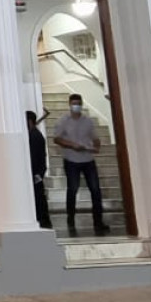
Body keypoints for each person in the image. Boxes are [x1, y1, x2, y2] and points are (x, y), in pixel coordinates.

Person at [50, 95, 109, 235]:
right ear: (69, 105)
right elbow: (57, 139)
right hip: (71, 160)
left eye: (78, 104)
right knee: (73, 189)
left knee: (95, 190)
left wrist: (96, 146)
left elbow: (95, 138)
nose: (76, 106)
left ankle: (98, 221)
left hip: (88, 159)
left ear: (81, 105)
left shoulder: (88, 121)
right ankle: (70, 218)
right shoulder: (63, 121)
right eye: (73, 104)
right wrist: (72, 145)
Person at [27, 111, 51, 229]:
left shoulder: (34, 136)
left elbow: (35, 157)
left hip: (36, 172)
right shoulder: (34, 134)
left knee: (38, 196)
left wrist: (36, 173)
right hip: (38, 171)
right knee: (38, 196)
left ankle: (43, 219)